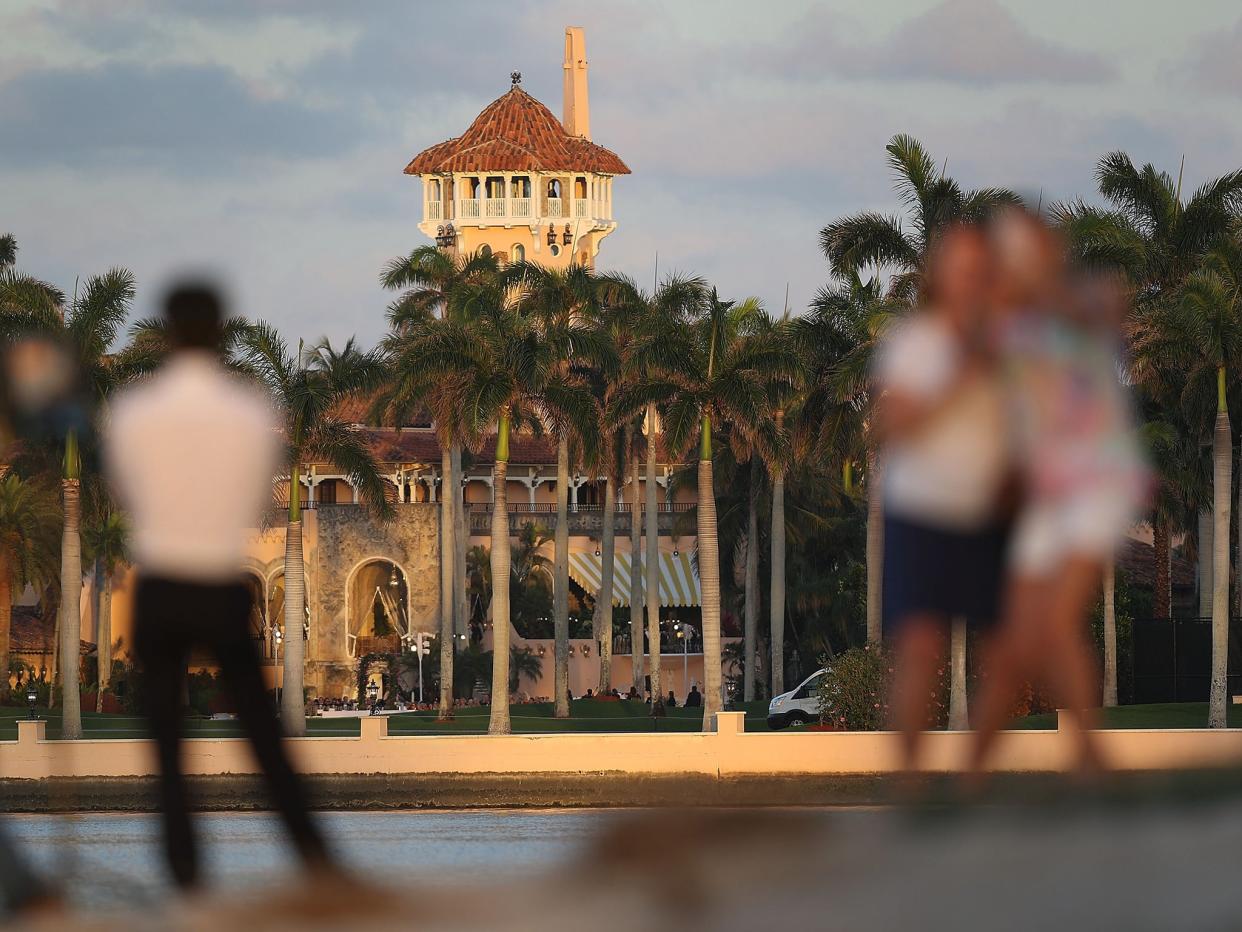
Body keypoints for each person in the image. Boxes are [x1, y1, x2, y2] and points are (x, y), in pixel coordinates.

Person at [105, 283, 333, 891]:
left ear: (169, 331)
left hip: (160, 584)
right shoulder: (249, 411)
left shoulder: (133, 410)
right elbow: (255, 490)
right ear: (219, 331)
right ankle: (316, 863)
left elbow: (129, 490)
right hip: (216, 583)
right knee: (262, 733)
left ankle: (186, 879)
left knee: (167, 749)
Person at [968, 214, 1148, 777]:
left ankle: (1081, 758)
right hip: (1046, 499)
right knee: (1014, 642)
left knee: (1046, 627)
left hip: (1095, 486)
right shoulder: (1001, 332)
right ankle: (979, 770)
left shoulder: (1065, 313)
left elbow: (1106, 300)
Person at [873, 224, 1011, 773]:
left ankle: (973, 780)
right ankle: (908, 786)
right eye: (959, 268)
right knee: (920, 653)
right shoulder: (917, 342)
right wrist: (960, 374)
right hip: (920, 516)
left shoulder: (1010, 343)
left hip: (986, 519)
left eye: (979, 268)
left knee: (1005, 657)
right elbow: (898, 422)